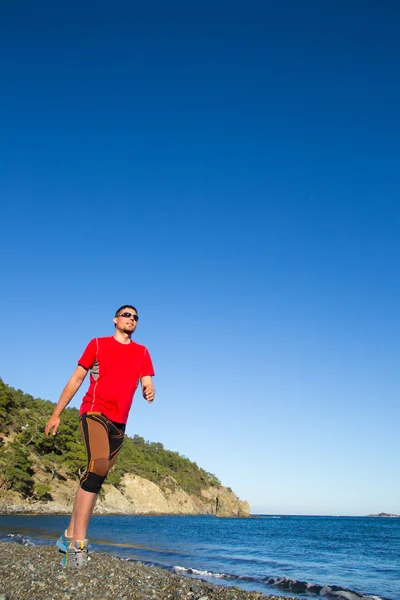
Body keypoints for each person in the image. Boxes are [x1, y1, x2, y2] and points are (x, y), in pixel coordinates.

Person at [44, 304, 155, 568]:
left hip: (120, 423)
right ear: (116, 319)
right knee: (98, 467)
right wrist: (56, 413)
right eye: (126, 315)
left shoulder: (142, 352)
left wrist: (148, 389)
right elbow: (76, 379)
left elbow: (147, 379)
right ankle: (78, 545)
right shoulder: (97, 344)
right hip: (94, 412)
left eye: (135, 317)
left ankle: (68, 533)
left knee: (96, 476)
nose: (131, 319)